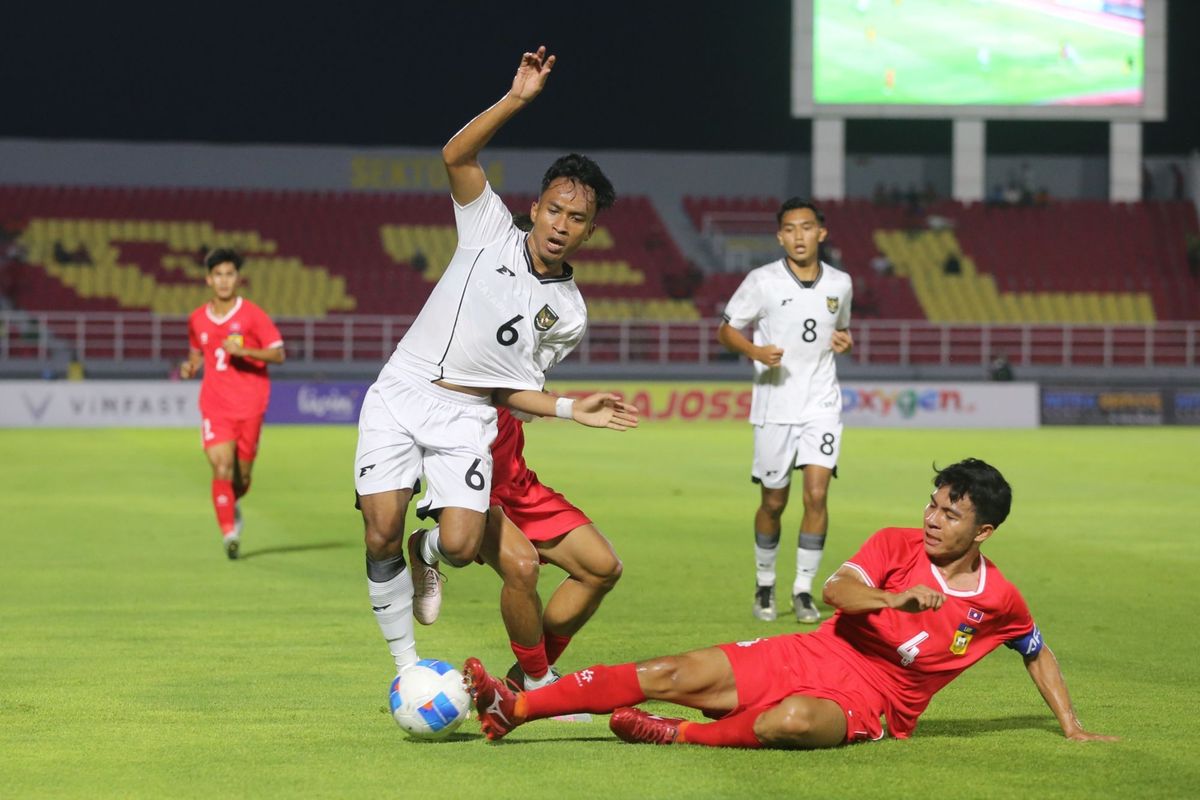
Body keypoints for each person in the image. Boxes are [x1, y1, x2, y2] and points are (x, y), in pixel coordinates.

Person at [464, 459, 1119, 748]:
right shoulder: (896, 544)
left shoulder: (998, 598)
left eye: (951, 513)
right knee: (669, 673)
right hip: (811, 651)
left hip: (873, 707)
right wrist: (895, 596)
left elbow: (1035, 649)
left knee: (795, 723)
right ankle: (514, 706)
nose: (932, 518)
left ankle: (681, 733)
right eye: (933, 502)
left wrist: (1068, 721)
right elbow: (835, 592)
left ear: (984, 533)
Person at [354, 45, 638, 677]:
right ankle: (408, 669)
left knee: (457, 547)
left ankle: (430, 547)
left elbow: (510, 392)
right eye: (556, 209)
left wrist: (570, 408)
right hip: (404, 390)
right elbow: (457, 155)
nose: (563, 224)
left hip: (469, 417)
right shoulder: (487, 229)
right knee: (378, 532)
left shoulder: (568, 313)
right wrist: (517, 99)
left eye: (578, 218)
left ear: (590, 233)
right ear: (535, 208)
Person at [715, 198, 853, 625]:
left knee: (817, 495)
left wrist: (843, 339)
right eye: (790, 229)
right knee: (774, 502)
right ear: (780, 236)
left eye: (806, 228)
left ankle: (803, 591)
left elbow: (841, 327)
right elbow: (725, 329)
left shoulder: (841, 283)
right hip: (775, 404)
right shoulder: (763, 281)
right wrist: (755, 350)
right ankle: (765, 582)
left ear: (821, 233)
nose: (798, 236)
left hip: (822, 404)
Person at [418, 406, 622, 691]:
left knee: (601, 567)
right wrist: (569, 407)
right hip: (469, 486)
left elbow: (521, 398)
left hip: (516, 483)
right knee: (522, 567)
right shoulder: (457, 363)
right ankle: (539, 682)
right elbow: (509, 392)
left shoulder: (523, 361)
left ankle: (523, 679)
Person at [179, 248, 285, 559]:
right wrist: (190, 366)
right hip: (215, 406)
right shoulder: (197, 318)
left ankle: (230, 503)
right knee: (221, 466)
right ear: (208, 279)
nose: (224, 281)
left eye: (230, 274)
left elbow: (278, 353)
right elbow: (197, 351)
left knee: (242, 478)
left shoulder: (252, 315)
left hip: (251, 405)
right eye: (218, 275)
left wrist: (245, 352)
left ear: (237, 279)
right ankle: (229, 532)